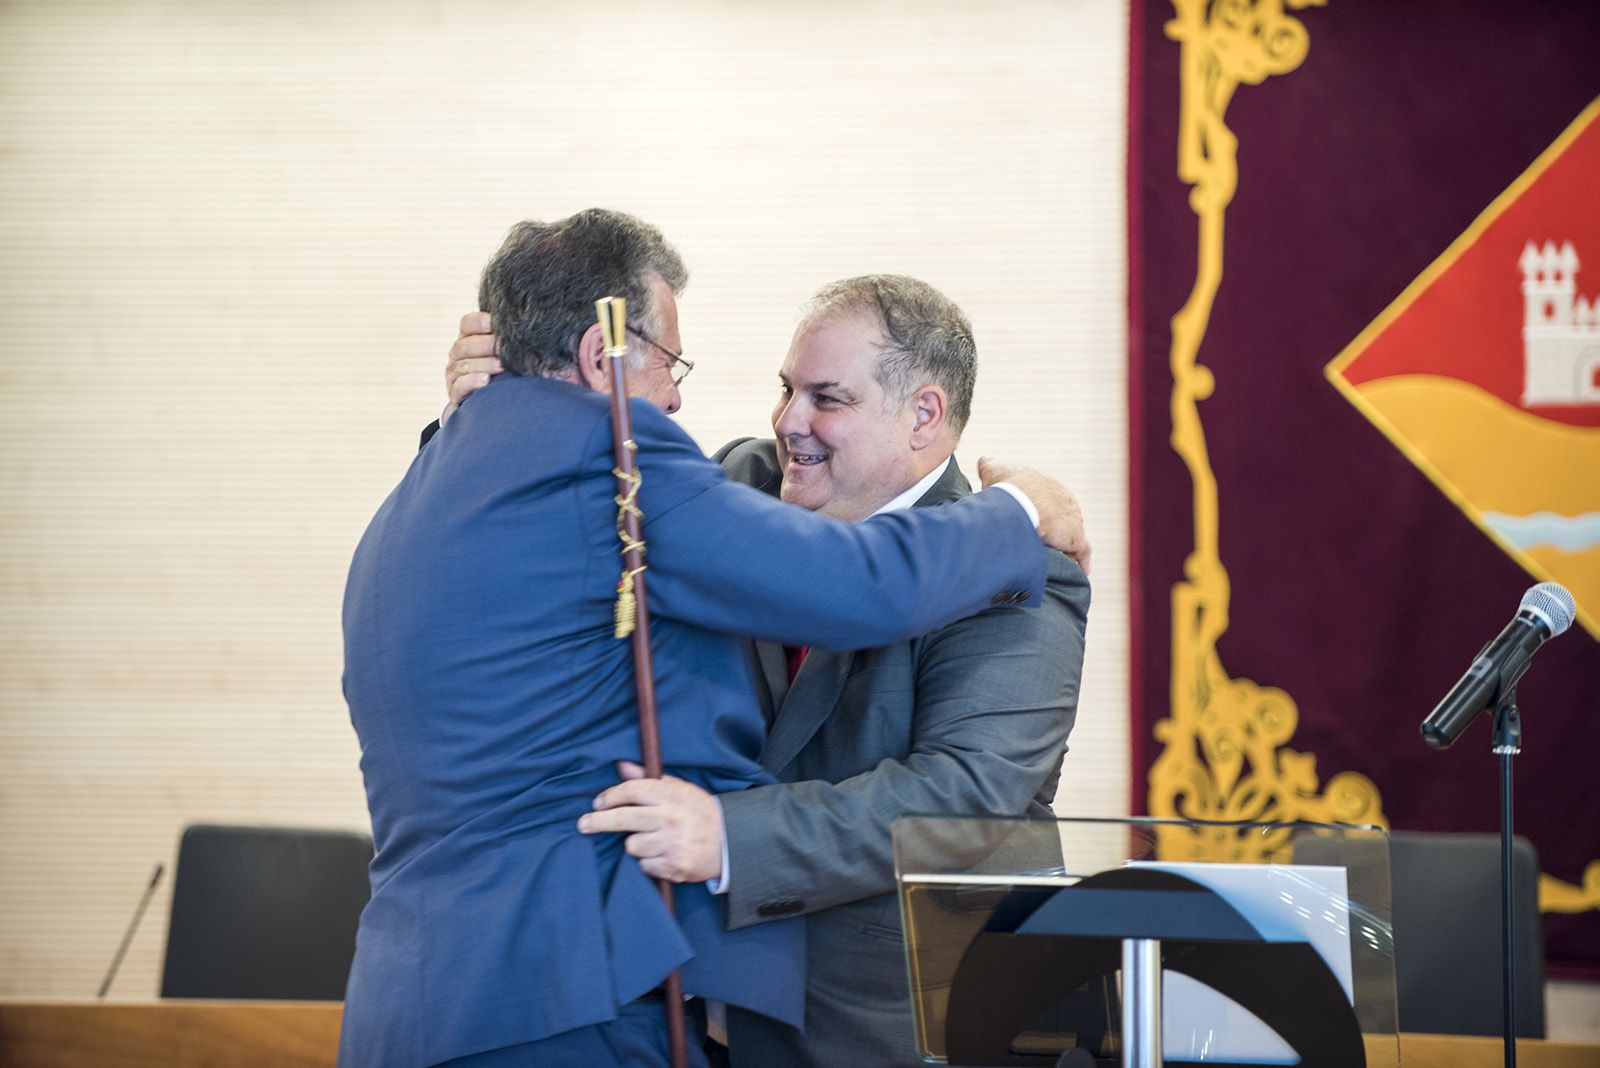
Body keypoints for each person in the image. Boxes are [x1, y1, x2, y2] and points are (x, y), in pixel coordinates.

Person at [343, 210, 1085, 1068]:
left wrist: (734, 837)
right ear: (601, 356)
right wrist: (1024, 508)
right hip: (567, 992)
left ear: (925, 414)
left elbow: (966, 794)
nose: (785, 420)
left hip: (897, 1032)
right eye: (785, 389)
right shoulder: (648, 477)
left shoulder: (431, 490)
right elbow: (866, 582)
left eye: (826, 397)